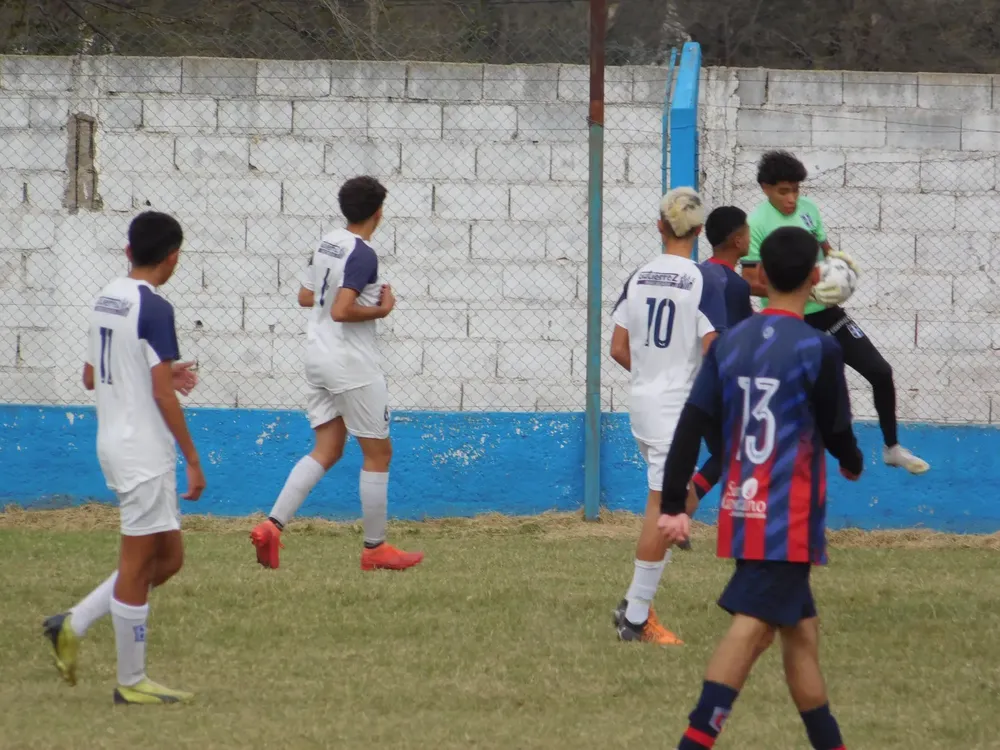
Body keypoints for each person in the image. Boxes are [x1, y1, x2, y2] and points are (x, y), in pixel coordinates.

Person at [658, 226, 863, 750]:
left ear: (761, 276)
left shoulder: (730, 343)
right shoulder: (820, 348)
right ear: (816, 280)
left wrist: (677, 499)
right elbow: (837, 428)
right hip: (786, 517)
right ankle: (693, 741)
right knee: (753, 627)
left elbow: (693, 420)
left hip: (740, 507)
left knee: (802, 636)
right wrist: (853, 460)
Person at [42, 211, 206, 705]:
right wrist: (193, 459)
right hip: (143, 451)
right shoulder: (156, 308)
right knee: (137, 564)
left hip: (115, 442)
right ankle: (130, 683)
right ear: (173, 257)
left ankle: (73, 622)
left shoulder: (107, 297)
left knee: (169, 558)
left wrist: (158, 377)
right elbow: (161, 393)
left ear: (128, 251)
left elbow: (93, 376)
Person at [250, 176, 423, 572]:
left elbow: (306, 296)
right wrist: (381, 309)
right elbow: (342, 310)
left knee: (326, 450)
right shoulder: (364, 254)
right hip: (351, 363)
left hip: (317, 357)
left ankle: (272, 526)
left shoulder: (327, 241)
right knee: (379, 453)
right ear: (379, 212)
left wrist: (347, 298)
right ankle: (375, 548)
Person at [741, 150, 928, 475]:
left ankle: (892, 447)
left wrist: (842, 265)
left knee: (881, 372)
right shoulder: (756, 223)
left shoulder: (809, 211)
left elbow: (826, 252)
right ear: (765, 188)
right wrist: (801, 288)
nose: (792, 199)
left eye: (796, 190)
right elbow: (750, 280)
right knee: (812, 398)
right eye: (784, 191)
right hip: (789, 321)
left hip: (828, 313)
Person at [609, 186, 726, 645]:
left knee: (670, 503)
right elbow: (714, 350)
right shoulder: (704, 280)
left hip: (643, 404)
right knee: (665, 508)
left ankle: (636, 607)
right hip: (677, 411)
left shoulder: (638, 276)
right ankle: (636, 616)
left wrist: (652, 374)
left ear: (659, 226)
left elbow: (619, 348)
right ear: (699, 231)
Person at [689, 206, 756, 508]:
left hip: (691, 381)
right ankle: (686, 500)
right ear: (739, 241)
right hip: (721, 383)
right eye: (748, 230)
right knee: (735, 451)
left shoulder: (698, 273)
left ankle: (686, 499)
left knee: (726, 452)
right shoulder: (736, 285)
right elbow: (741, 339)